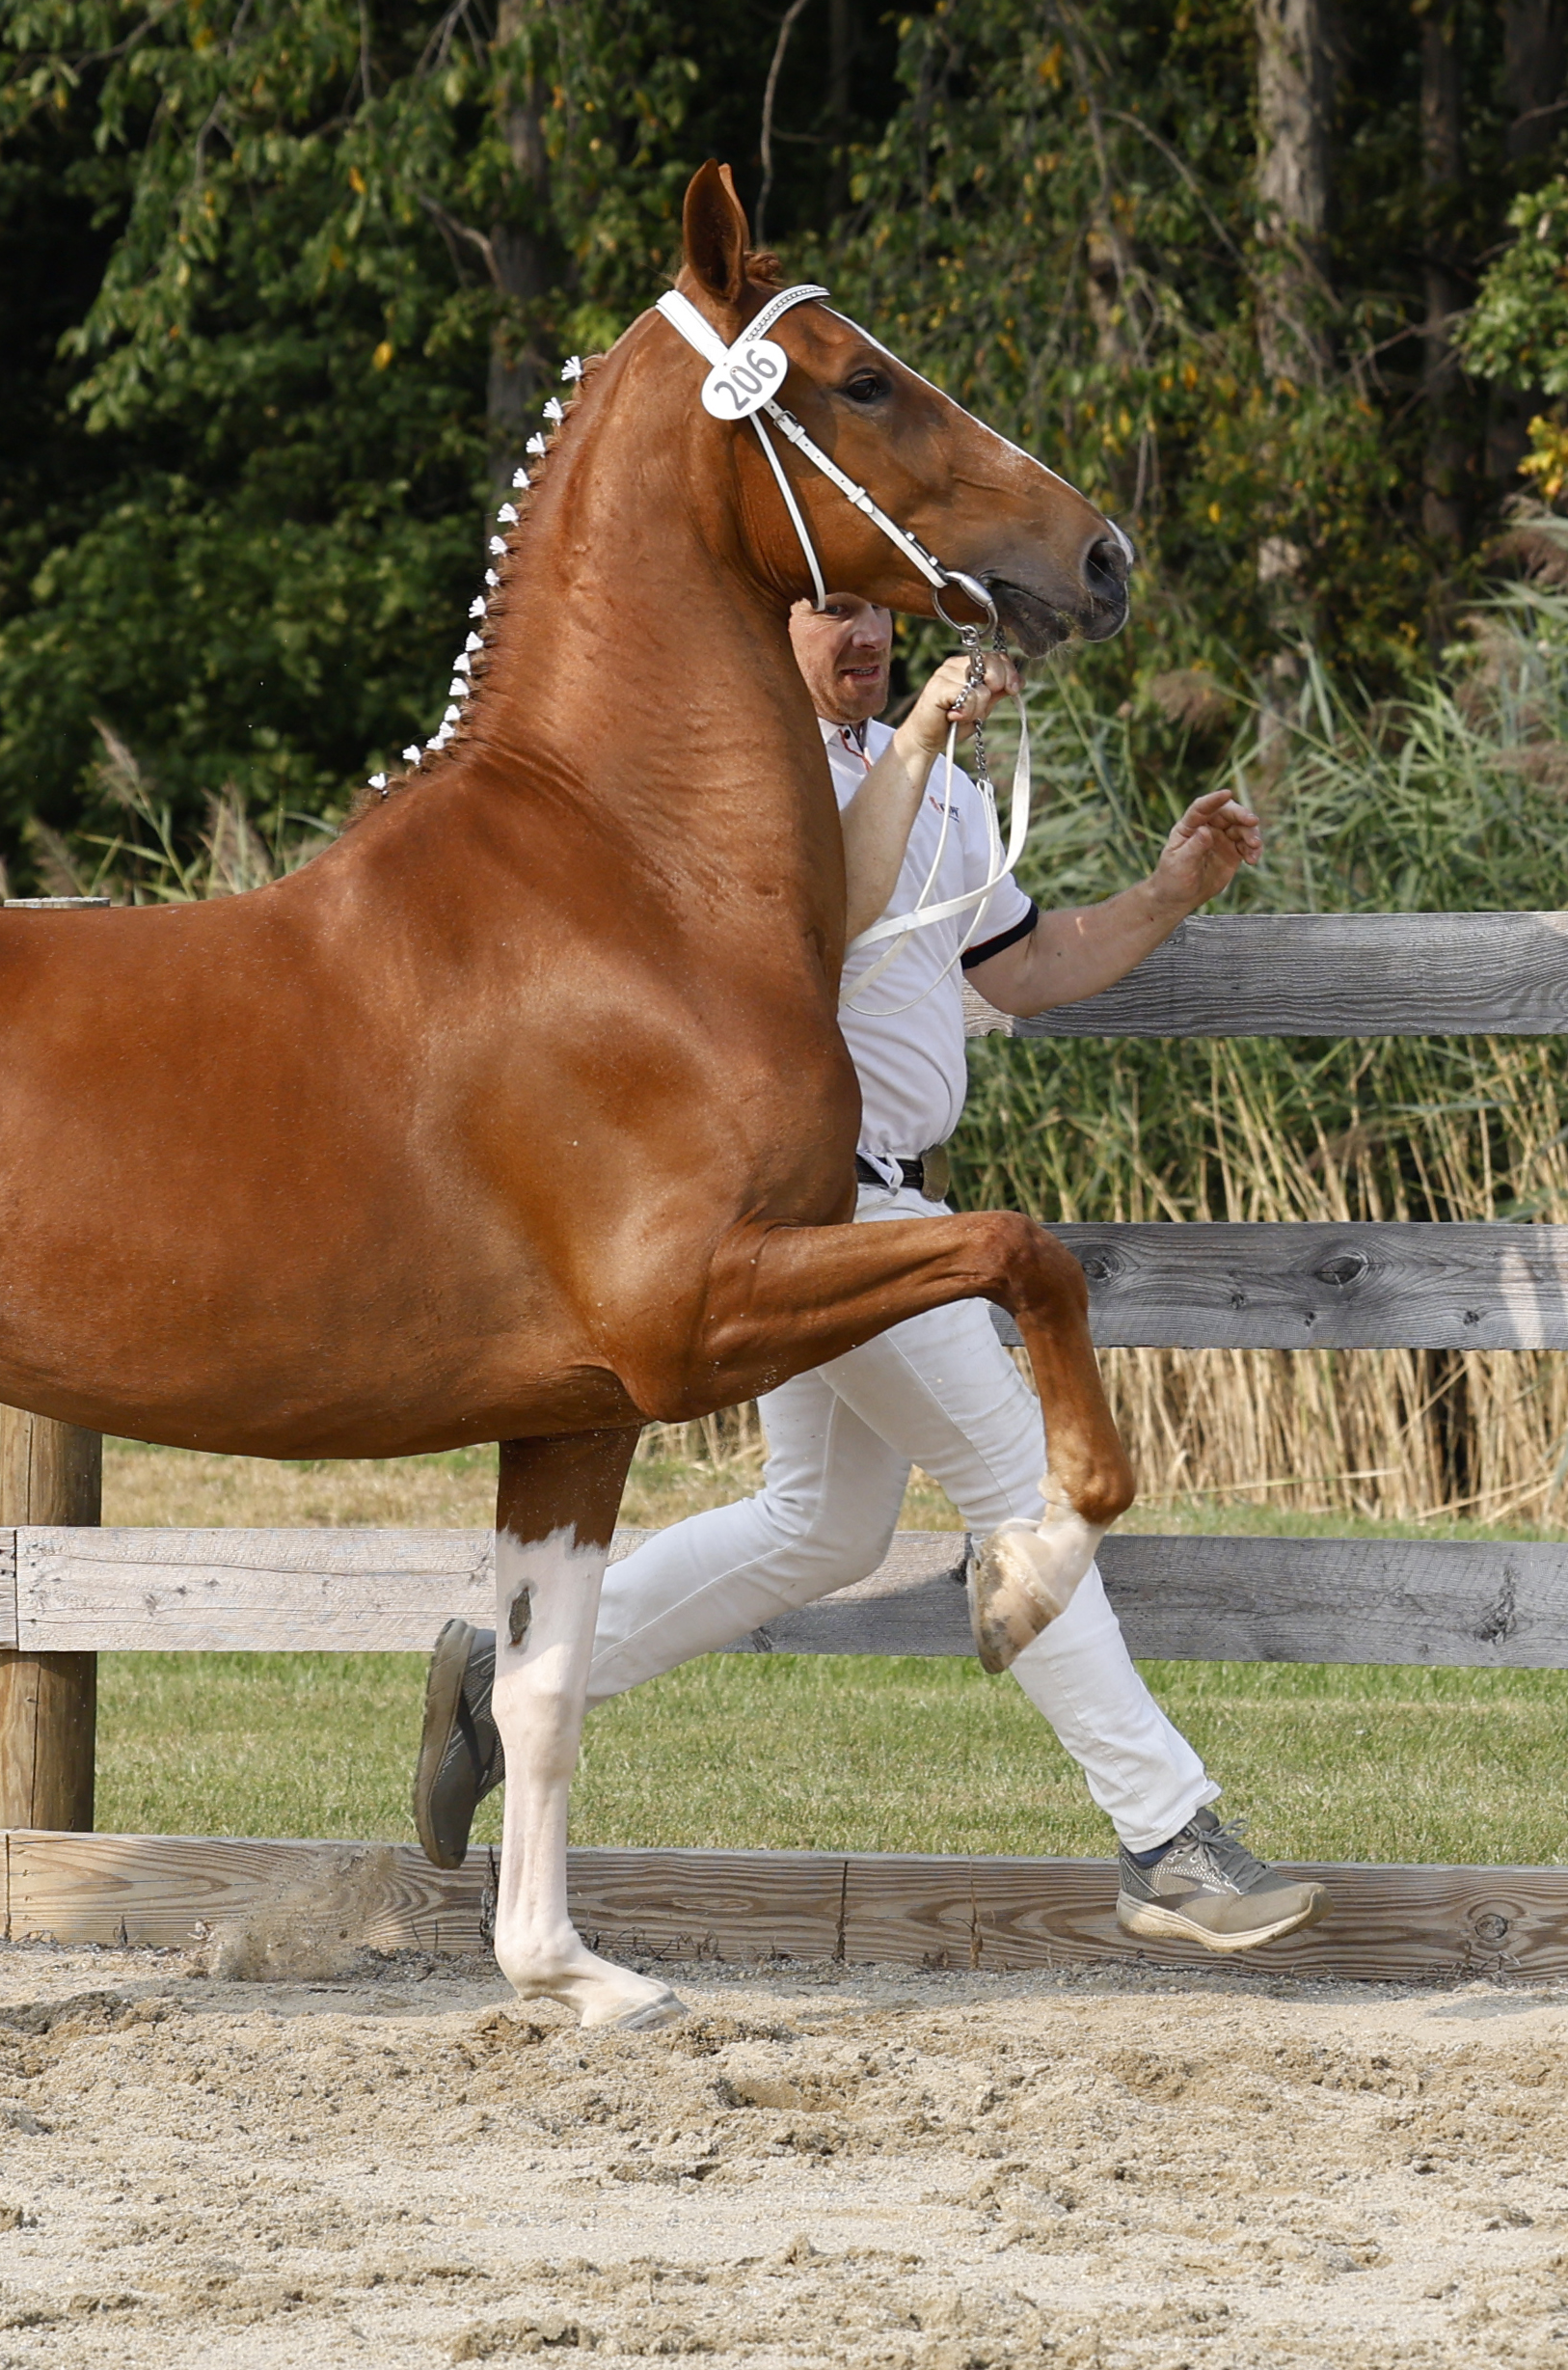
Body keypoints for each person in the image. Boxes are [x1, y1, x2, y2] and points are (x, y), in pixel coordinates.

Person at [411, 592, 1323, 1952]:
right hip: (809, 1203)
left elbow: (1018, 967)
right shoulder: (734, 764)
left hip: (883, 1196)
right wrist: (908, 745)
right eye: (832, 607)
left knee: (820, 1525)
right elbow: (819, 918)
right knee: (1022, 1487)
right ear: (765, 621)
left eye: (884, 612)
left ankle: (508, 1679)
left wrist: (1167, 888)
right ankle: (1166, 1838)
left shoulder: (934, 783)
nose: (868, 634)